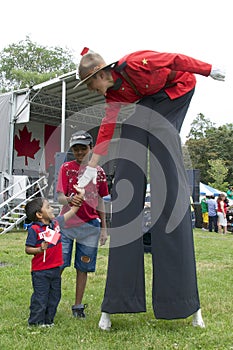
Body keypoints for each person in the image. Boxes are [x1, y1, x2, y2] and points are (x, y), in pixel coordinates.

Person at [75, 48, 225, 330]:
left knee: (163, 145)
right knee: (132, 131)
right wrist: (91, 169)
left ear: (101, 74)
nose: (92, 90)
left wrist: (207, 69)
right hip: (150, 103)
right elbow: (107, 130)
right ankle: (116, 303)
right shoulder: (115, 96)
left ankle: (185, 304)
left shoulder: (136, 63)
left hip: (178, 91)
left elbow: (176, 61)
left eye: (90, 84)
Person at [56, 130, 109, 318]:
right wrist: (70, 199)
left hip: (90, 227)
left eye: (83, 149)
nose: (79, 153)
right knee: (59, 264)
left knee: (83, 267)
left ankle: (78, 306)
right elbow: (60, 197)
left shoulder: (99, 172)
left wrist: (104, 228)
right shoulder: (66, 168)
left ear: (91, 148)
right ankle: (50, 300)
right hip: (67, 225)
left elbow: (102, 200)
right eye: (76, 149)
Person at [25, 190, 84, 327]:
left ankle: (48, 321)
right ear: (39, 215)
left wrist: (79, 197)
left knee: (54, 297)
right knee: (40, 298)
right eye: (48, 207)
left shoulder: (55, 224)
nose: (52, 208)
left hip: (55, 269)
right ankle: (35, 322)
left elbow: (71, 212)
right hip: (40, 271)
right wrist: (39, 249)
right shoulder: (34, 229)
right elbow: (28, 249)